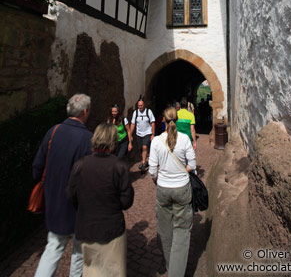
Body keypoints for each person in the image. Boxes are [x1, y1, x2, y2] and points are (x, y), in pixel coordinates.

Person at [33, 94, 93, 277]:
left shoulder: (53, 131)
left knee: (53, 247)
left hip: (55, 198)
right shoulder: (87, 138)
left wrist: (46, 186)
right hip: (78, 203)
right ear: (85, 112)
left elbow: (37, 166)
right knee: (79, 250)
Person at [67, 122, 134, 277]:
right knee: (112, 271)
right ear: (113, 141)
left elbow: (71, 195)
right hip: (111, 230)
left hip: (86, 228)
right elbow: (126, 201)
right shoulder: (119, 167)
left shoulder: (80, 165)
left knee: (91, 271)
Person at [149, 107, 196, 277]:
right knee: (182, 231)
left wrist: (158, 180)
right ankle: (176, 272)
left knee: (164, 229)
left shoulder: (156, 141)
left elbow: (152, 171)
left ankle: (171, 265)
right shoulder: (184, 139)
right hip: (182, 188)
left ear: (162, 120)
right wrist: (183, 172)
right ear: (177, 120)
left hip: (163, 189)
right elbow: (192, 164)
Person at [130, 99, 155, 172]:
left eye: (141, 105)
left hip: (147, 133)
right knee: (141, 149)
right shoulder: (135, 112)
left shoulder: (148, 112)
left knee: (145, 147)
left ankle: (143, 163)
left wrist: (153, 134)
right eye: (139, 105)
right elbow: (132, 123)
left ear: (144, 105)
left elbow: (153, 122)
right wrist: (130, 134)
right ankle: (145, 160)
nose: (140, 107)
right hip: (139, 134)